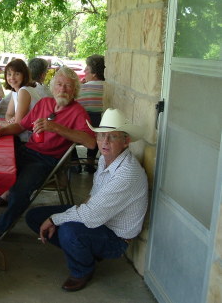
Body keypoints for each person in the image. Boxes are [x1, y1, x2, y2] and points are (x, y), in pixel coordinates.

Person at [25, 108, 148, 292]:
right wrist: (64, 215)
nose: (104, 142)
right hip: (99, 218)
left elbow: (90, 215)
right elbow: (93, 197)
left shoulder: (127, 173)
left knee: (67, 229)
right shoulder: (106, 158)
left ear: (126, 141)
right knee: (35, 217)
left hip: (115, 237)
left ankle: (82, 270)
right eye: (101, 136)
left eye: (113, 137)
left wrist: (55, 219)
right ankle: (86, 251)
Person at [0, 66, 96, 234]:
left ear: (75, 90)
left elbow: (91, 143)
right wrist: (0, 131)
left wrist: (57, 128)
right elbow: (21, 126)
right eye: (59, 84)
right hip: (28, 151)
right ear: (52, 87)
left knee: (19, 189)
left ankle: (1, 226)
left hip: (46, 161)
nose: (63, 89)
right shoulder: (45, 103)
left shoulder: (78, 112)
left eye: (68, 86)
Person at [0, 59, 42, 207]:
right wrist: (8, 121)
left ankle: (6, 191)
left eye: (16, 73)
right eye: (9, 74)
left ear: (24, 75)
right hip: (23, 134)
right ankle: (1, 187)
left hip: (32, 139)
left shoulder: (24, 91)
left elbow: (19, 124)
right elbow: (9, 115)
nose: (12, 77)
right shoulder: (16, 92)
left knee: (0, 149)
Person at [75, 54, 105, 173]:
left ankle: (75, 164)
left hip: (84, 131)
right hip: (101, 131)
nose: (84, 71)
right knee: (97, 126)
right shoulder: (109, 88)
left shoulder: (81, 90)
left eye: (86, 69)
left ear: (94, 73)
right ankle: (90, 162)